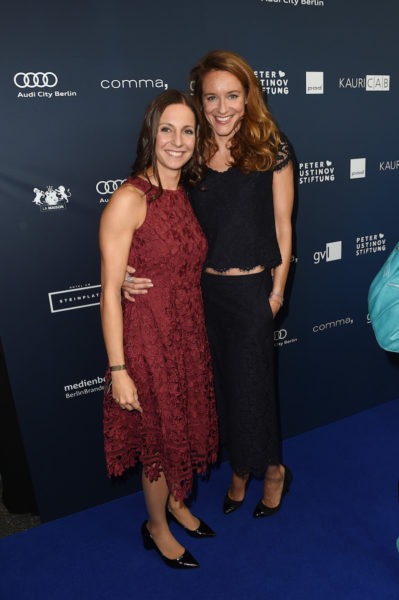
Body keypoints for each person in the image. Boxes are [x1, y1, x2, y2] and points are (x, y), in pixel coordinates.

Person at [123, 51, 294, 518]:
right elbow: (157, 214)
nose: (222, 107)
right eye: (212, 96)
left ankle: (273, 470)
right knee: (220, 393)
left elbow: (283, 227)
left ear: (248, 97)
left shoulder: (271, 147)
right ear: (200, 100)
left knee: (255, 389)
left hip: (253, 293)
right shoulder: (191, 151)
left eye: (233, 96)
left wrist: (276, 295)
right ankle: (241, 471)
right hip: (201, 297)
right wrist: (123, 271)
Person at [100, 89, 218, 570]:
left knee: (182, 428)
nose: (178, 139)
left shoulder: (180, 193)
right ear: (151, 134)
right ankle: (157, 526)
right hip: (148, 343)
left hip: (188, 335)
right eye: (167, 129)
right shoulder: (130, 198)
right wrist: (119, 369)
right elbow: (109, 291)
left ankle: (176, 502)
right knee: (160, 437)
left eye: (187, 130)